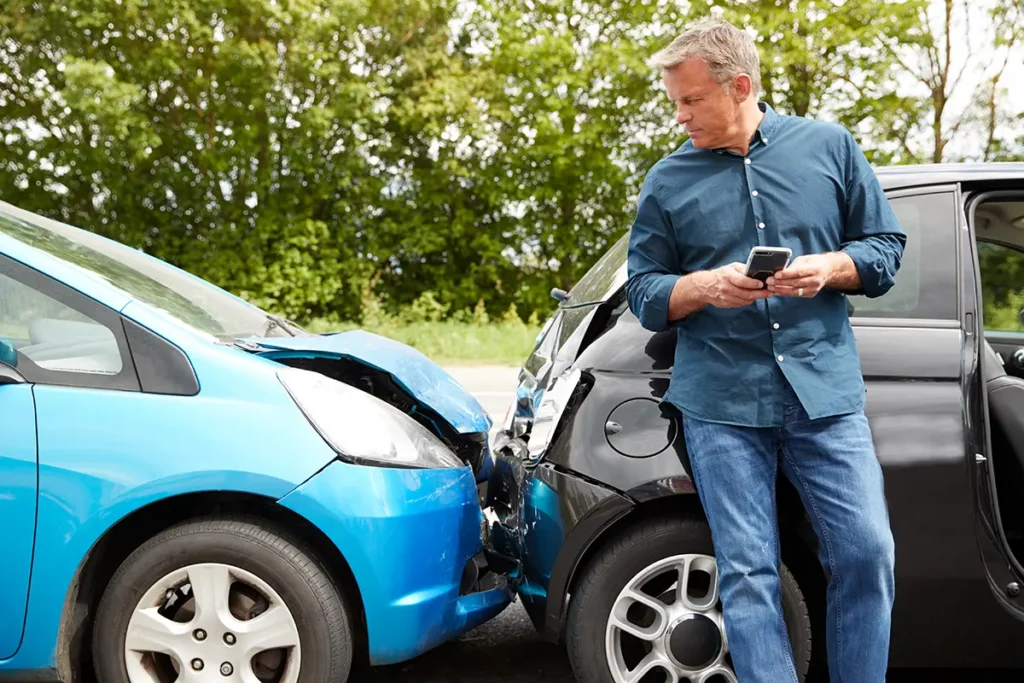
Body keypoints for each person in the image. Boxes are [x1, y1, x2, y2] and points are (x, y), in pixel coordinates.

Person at [625, 18, 906, 683]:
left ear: (739, 86)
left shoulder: (830, 147)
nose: (679, 115)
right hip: (720, 402)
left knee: (867, 552)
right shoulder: (667, 180)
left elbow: (884, 251)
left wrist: (831, 267)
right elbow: (642, 290)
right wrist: (704, 285)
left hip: (824, 394)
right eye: (675, 101)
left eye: (690, 100)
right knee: (749, 574)